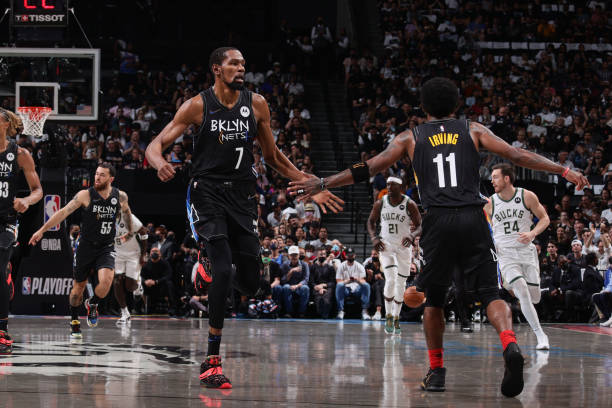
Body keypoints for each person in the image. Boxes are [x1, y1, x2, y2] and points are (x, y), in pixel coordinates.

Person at [289, 77, 588, 397]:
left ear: (423, 108)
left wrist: (324, 183)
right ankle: (510, 345)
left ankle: (437, 370)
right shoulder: (473, 130)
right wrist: (563, 170)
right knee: (491, 293)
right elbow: (517, 155)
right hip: (474, 218)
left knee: (433, 300)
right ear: (457, 105)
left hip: (438, 221)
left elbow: (370, 167)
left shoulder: (410, 137)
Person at [144, 47, 343, 388]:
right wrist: (160, 162)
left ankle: (208, 269)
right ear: (216, 70)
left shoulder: (257, 104)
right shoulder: (197, 105)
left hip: (242, 196)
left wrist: (311, 184)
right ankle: (212, 361)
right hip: (206, 192)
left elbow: (273, 156)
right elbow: (154, 144)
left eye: (243, 64)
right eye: (233, 63)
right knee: (223, 268)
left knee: (252, 285)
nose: (241, 68)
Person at [29, 163, 127, 339]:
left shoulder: (120, 196)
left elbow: (127, 213)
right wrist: (42, 230)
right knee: (77, 291)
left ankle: (93, 304)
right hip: (85, 247)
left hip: (106, 246)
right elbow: (63, 212)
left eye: (102, 175)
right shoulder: (85, 195)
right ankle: (74, 320)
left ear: (111, 179)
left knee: (106, 282)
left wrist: (128, 230)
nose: (97, 177)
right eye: (96, 174)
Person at [485, 163, 550, 350]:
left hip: (526, 251)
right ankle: (541, 335)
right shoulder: (490, 203)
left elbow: (545, 218)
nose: (492, 180)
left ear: (507, 178)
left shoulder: (526, 196)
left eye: (495, 176)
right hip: (505, 254)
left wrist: (532, 233)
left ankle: (513, 286)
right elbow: (483, 228)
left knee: (533, 297)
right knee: (521, 289)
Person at [0, 108, 43, 355]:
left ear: (6, 124)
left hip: (5, 221)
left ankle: (2, 328)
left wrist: (27, 201)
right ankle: (6, 279)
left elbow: (38, 190)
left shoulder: (20, 154)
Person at [367, 176, 421, 335]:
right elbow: (371, 221)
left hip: (403, 248)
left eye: (393, 184)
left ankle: (396, 316)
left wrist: (412, 236)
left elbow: (420, 226)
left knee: (401, 284)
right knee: (390, 280)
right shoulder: (380, 203)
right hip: (386, 246)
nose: (389, 187)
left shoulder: (409, 204)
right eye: (388, 184)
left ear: (401, 186)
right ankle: (388, 315)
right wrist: (374, 237)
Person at [113, 203, 148, 323]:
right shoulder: (105, 219)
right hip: (117, 254)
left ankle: (138, 286)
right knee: (117, 281)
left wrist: (143, 254)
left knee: (129, 286)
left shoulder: (128, 217)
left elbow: (143, 232)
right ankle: (124, 313)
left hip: (133, 254)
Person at [335, 248, 371, 320]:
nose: (350, 257)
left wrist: (357, 280)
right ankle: (340, 311)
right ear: (346, 256)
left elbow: (363, 281)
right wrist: (348, 281)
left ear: (355, 255)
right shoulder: (341, 266)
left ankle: (364, 311)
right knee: (339, 285)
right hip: (346, 288)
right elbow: (338, 281)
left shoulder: (360, 266)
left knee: (366, 285)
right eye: (349, 255)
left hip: (357, 288)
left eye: (352, 255)